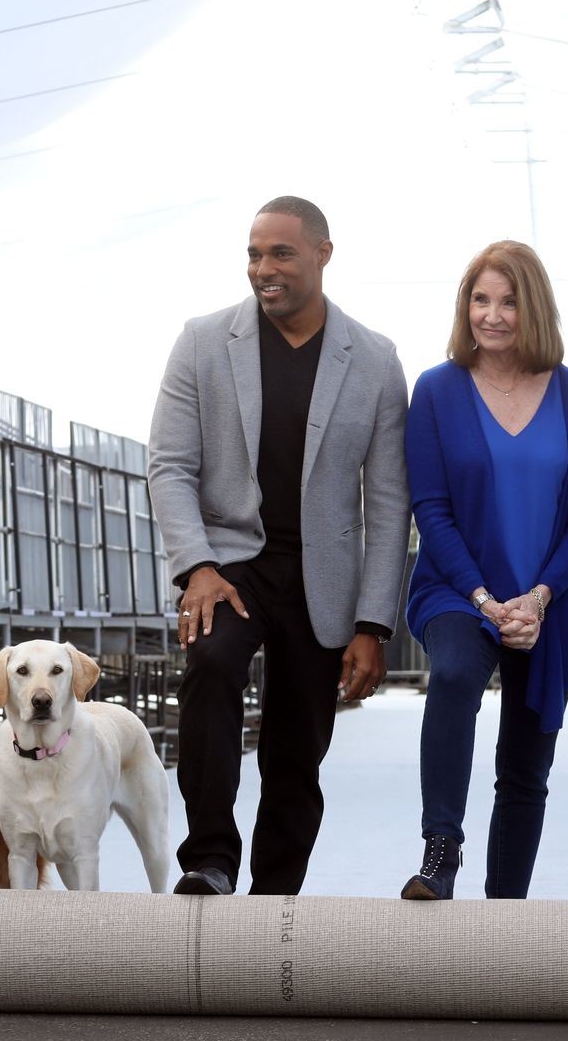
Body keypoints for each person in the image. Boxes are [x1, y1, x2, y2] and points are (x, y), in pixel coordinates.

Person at [146, 197, 411, 897]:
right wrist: (197, 566)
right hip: (229, 564)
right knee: (211, 665)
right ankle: (209, 858)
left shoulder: (376, 360)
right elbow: (169, 465)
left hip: (323, 572)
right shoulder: (202, 342)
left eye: (281, 253)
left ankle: (275, 895)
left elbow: (389, 503)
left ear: (323, 254)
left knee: (298, 744)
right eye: (254, 254)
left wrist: (372, 624)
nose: (263, 268)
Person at [398, 241, 568, 901]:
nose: (491, 315)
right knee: (455, 673)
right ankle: (440, 851)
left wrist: (539, 597)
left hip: (549, 597)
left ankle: (505, 905)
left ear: (533, 307)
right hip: (458, 590)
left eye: (509, 301)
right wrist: (486, 599)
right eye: (480, 299)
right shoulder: (437, 390)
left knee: (526, 762)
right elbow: (430, 507)